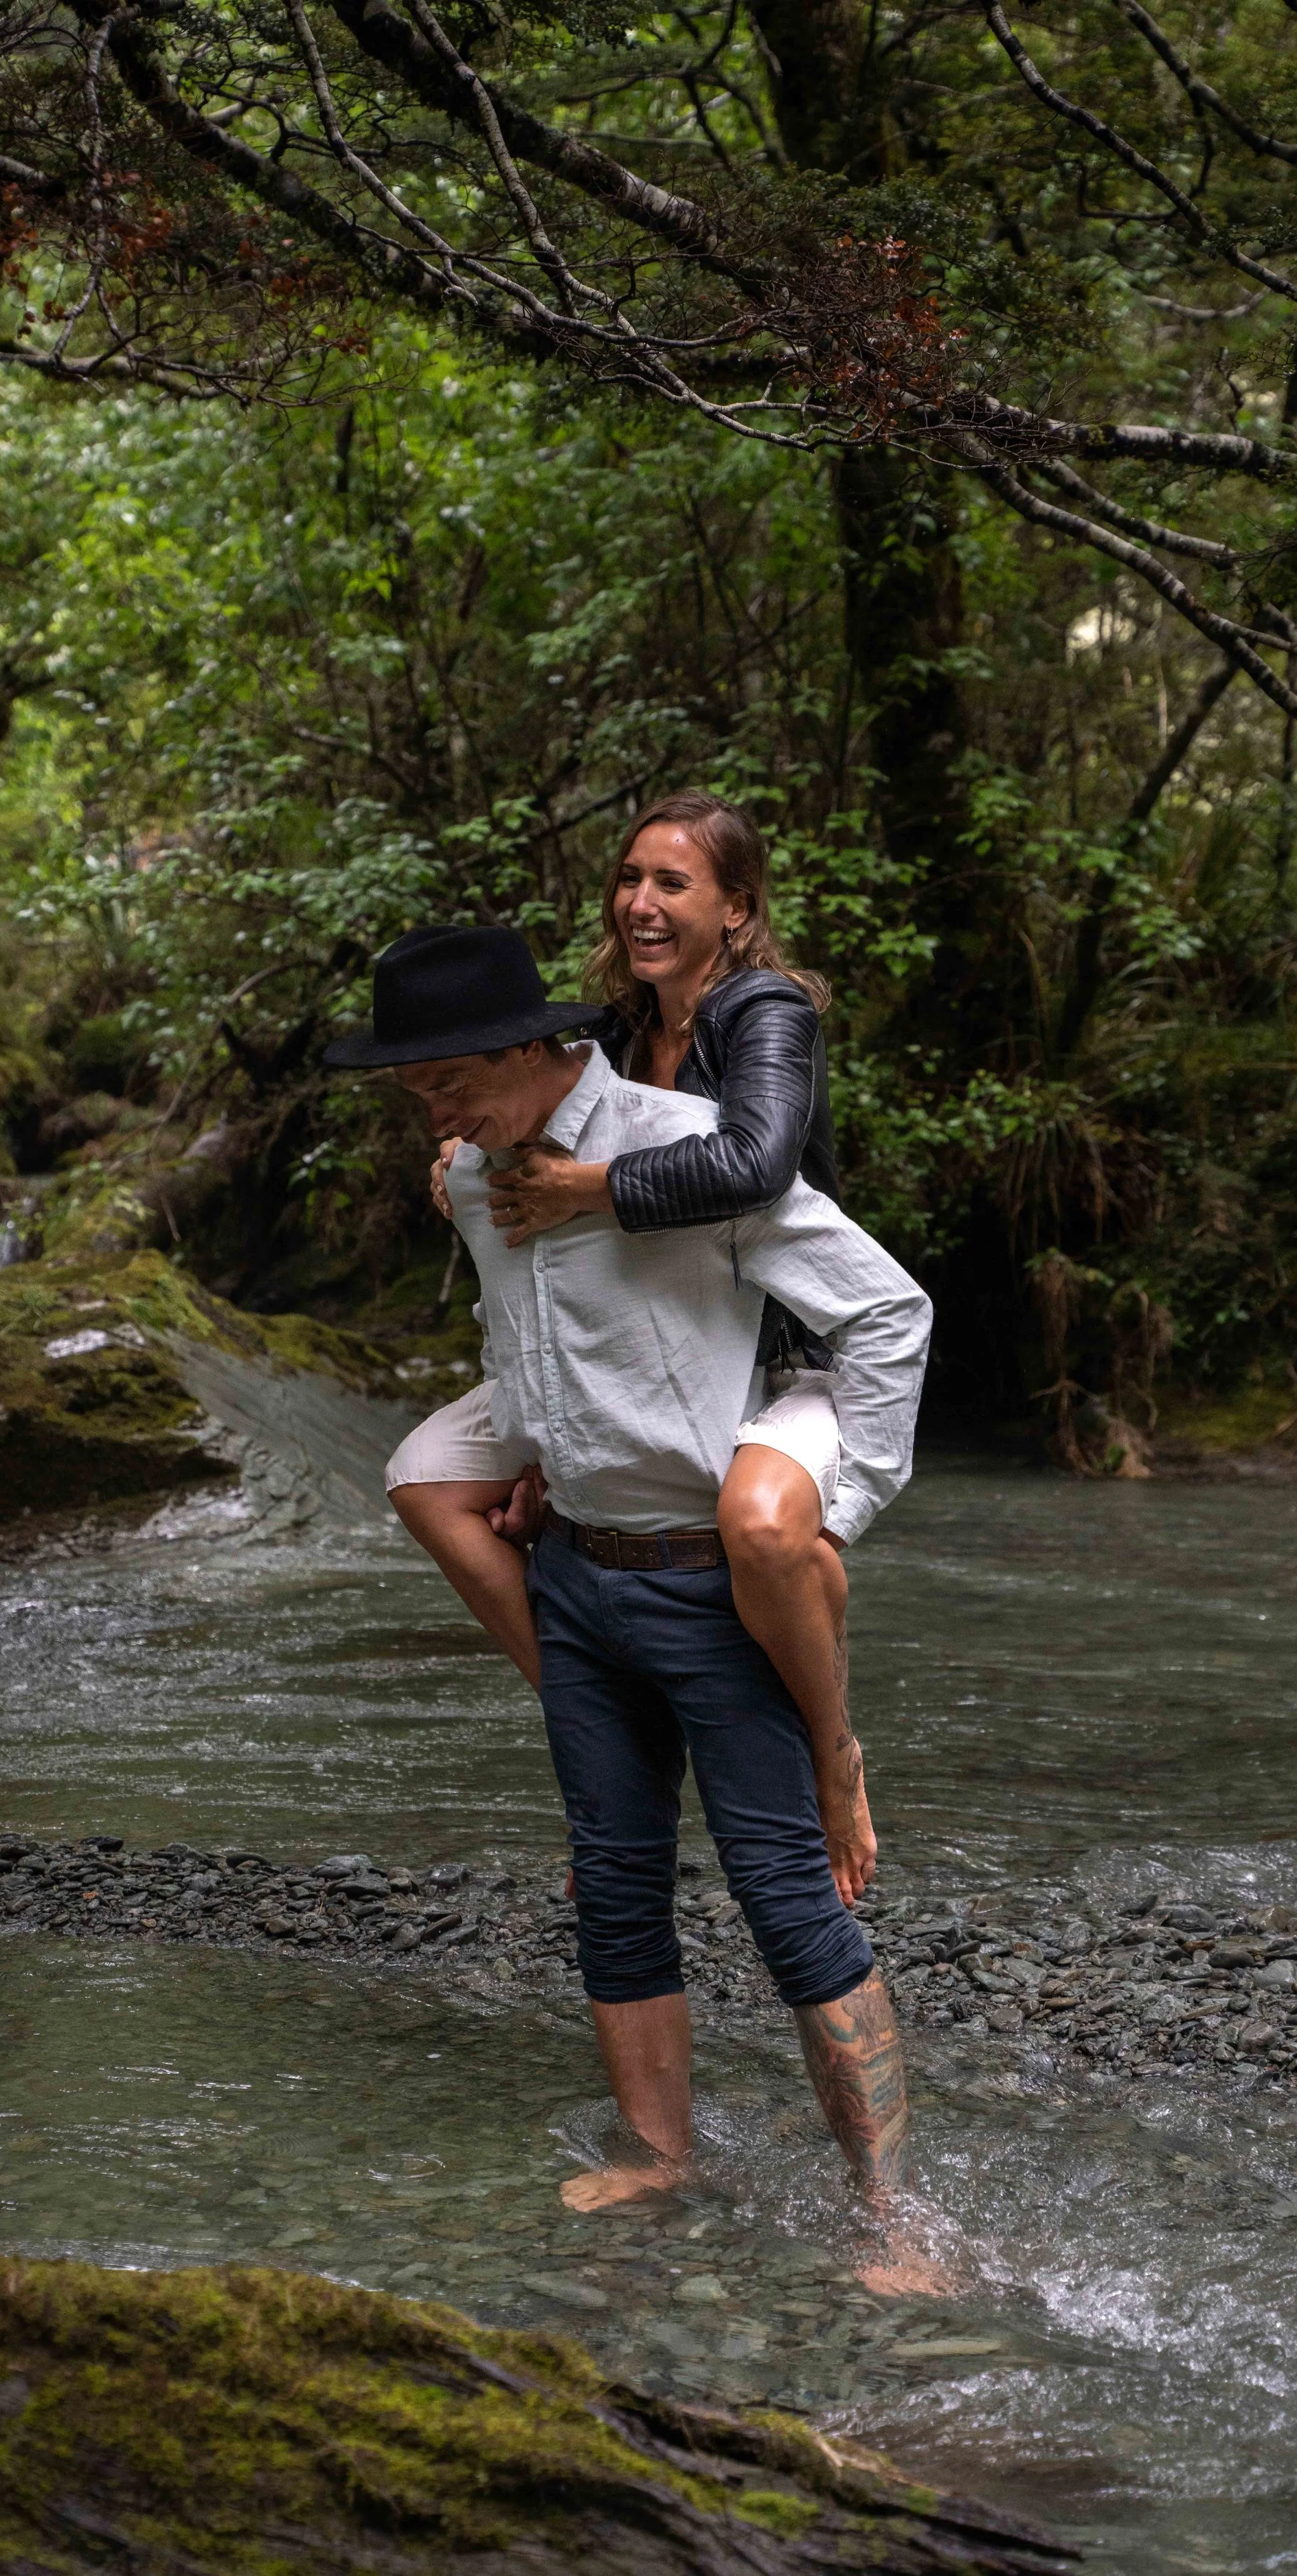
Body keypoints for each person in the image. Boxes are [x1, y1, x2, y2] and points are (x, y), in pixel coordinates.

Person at [324, 925, 934, 2278]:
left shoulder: (673, 1148)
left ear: (533, 1048)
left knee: (786, 1901)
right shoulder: (476, 1180)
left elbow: (886, 1313)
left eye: (447, 1081)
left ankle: (894, 2221)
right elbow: (522, 1342)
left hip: (707, 1584)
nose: (433, 1114)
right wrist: (538, 1453)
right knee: (611, 1886)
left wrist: (831, 1517)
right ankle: (658, 2160)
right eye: (411, 1093)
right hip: (578, 1580)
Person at [385, 794, 872, 1901]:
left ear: (736, 908)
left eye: (674, 883)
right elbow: (532, 1119)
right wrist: (467, 1142)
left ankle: (835, 1759)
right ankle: (604, 1732)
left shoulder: (768, 1015)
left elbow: (749, 1164)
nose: (641, 903)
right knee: (427, 1483)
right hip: (632, 1348)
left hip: (772, 1350)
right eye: (630, 879)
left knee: (762, 1530)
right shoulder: (609, 1031)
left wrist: (582, 1188)